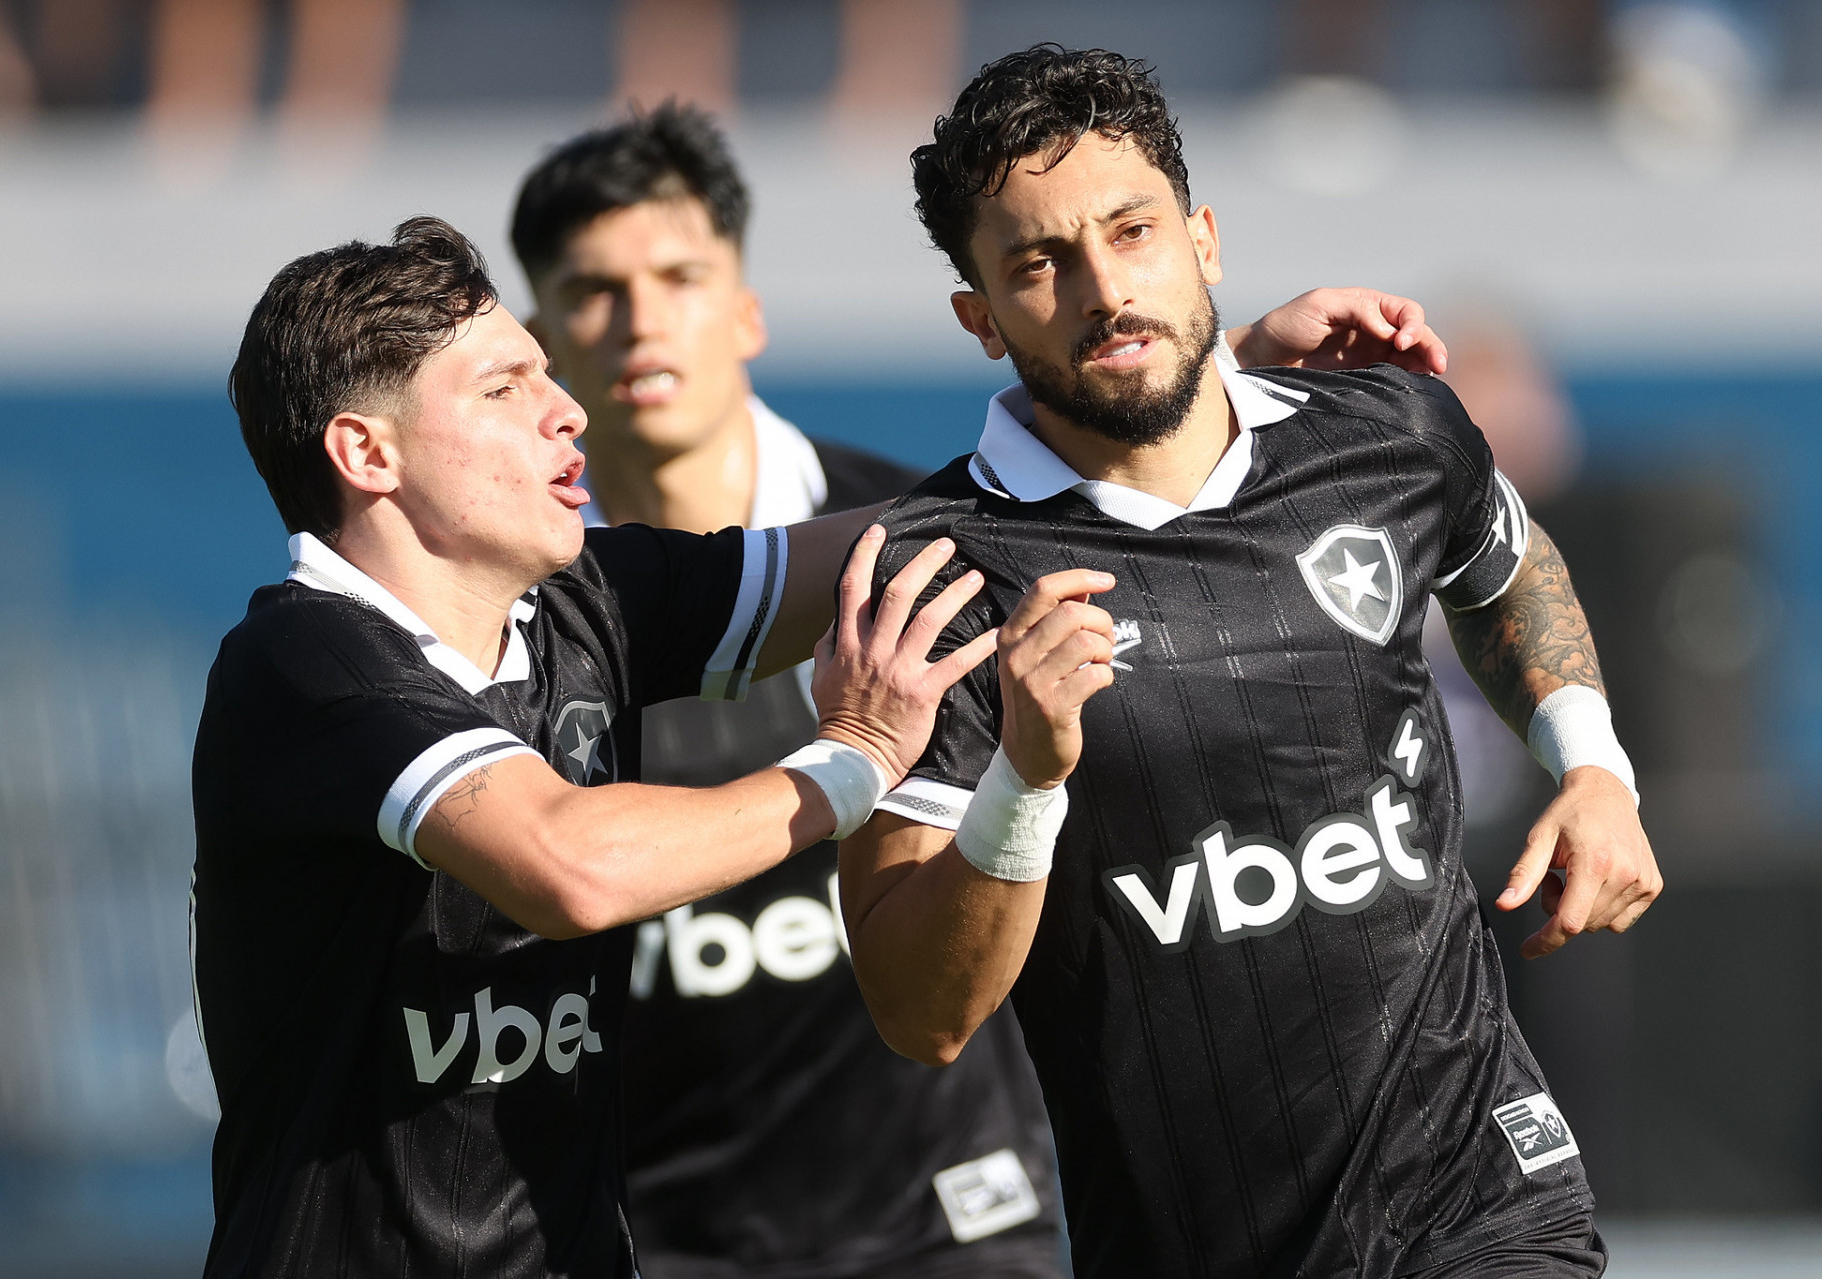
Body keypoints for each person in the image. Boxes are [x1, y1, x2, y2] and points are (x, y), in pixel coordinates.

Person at [507, 102, 1460, 1278]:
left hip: (950, 1218)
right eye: (596, 290)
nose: (643, 321)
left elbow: (1123, 490)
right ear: (539, 342)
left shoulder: (940, 538)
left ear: (748, 307)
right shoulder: (537, 620)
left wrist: (1219, 367)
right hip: (652, 1229)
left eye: (680, 275)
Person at [838, 46, 1662, 1279]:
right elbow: (920, 1011)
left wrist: (1593, 766)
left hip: (1482, 1199)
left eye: (1134, 231)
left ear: (1205, 239)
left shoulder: (1387, 429)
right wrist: (1025, 779)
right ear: (980, 316)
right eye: (1038, 263)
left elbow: (1503, 558)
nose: (1106, 289)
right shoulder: (938, 576)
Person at [190, 215, 992, 1278]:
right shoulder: (302, 661)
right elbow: (571, 865)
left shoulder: (584, 599)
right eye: (504, 389)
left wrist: (1192, 406)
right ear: (367, 452)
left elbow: (923, 538)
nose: (567, 411)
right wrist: (853, 758)